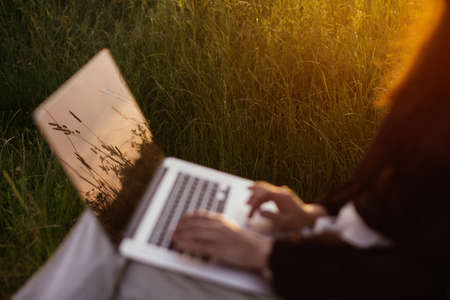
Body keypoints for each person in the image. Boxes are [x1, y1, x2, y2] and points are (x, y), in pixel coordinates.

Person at [172, 1, 450, 299]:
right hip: (324, 257)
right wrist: (312, 217)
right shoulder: (437, 65)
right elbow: (396, 205)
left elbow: (417, 281)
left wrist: (264, 253)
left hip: (325, 277)